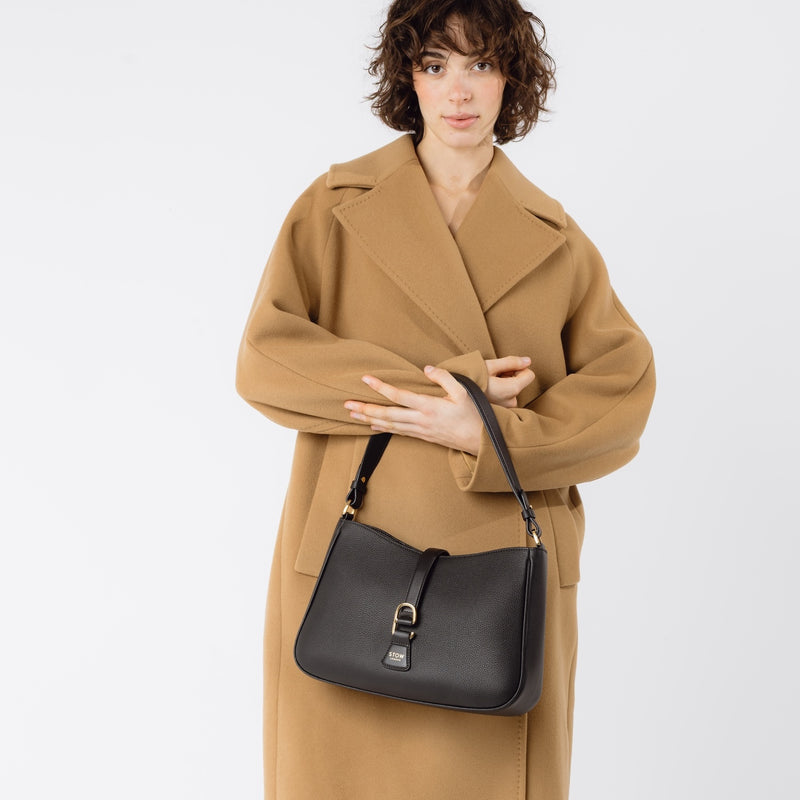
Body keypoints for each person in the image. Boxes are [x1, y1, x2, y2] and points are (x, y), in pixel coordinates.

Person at [236, 0, 655, 797]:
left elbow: (622, 399)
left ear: (512, 80)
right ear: (408, 77)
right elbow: (265, 358)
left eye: (480, 64)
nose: (457, 90)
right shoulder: (334, 208)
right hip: (349, 564)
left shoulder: (559, 243)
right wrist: (439, 394)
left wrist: (491, 436)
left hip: (497, 580)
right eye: (435, 65)